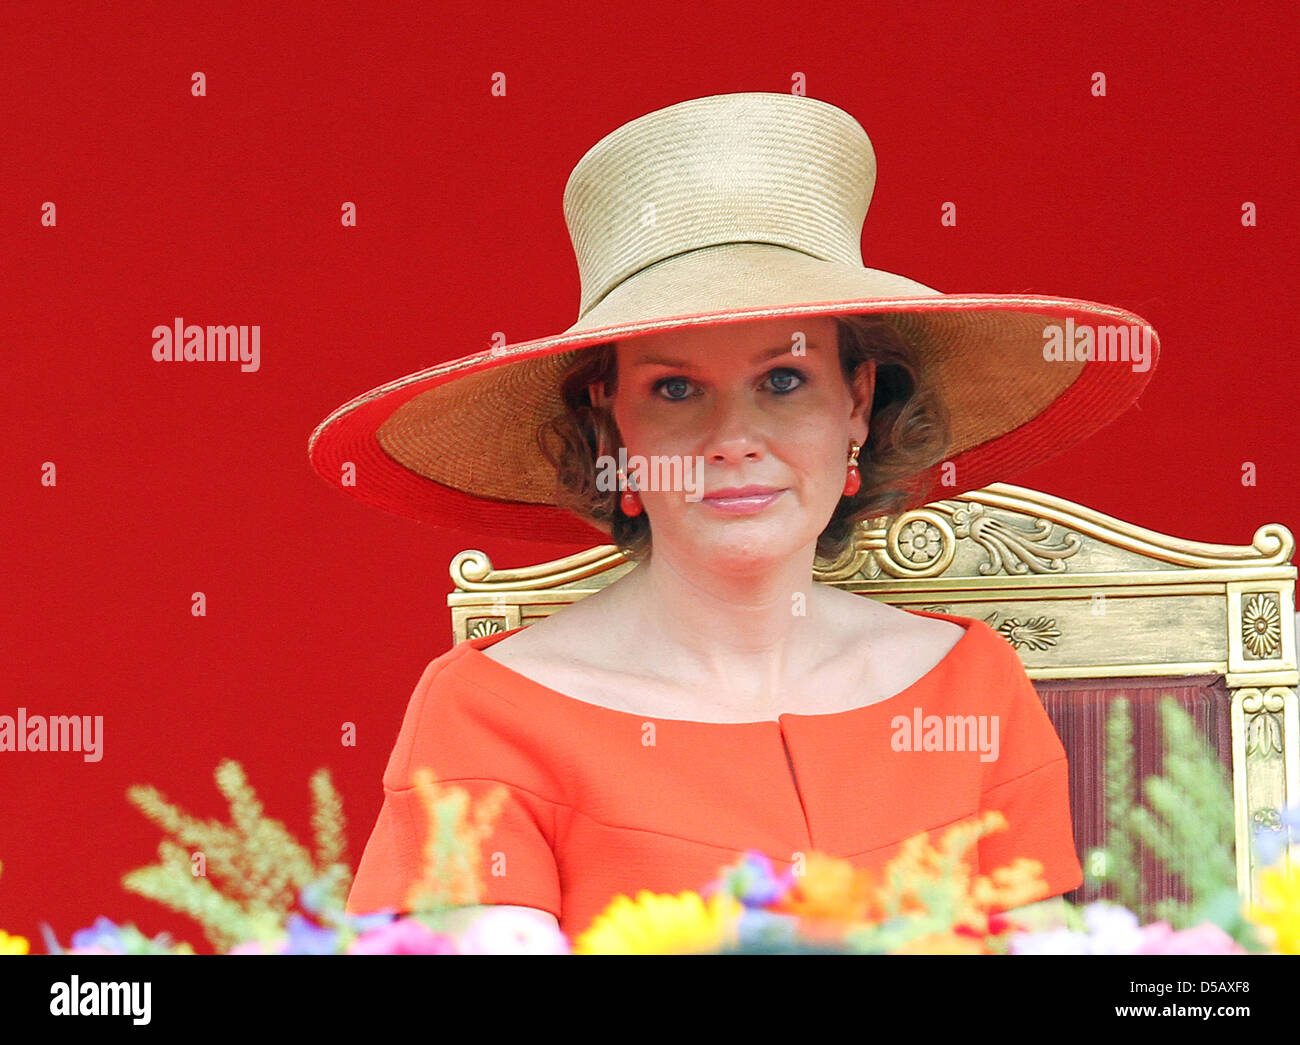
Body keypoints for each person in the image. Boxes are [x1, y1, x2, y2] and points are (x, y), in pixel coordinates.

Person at [309, 91, 1159, 944]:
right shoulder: (486, 713)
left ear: (857, 402)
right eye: (675, 388)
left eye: (782, 381)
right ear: (612, 424)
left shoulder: (970, 685)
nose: (733, 440)